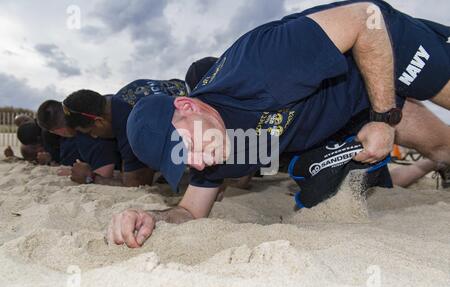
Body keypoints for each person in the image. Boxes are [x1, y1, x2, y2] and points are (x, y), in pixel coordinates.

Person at [108, 0, 450, 248]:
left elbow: (366, 18)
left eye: (187, 145)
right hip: (345, 111)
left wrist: (383, 117)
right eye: (183, 161)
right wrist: (152, 216)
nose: (198, 161)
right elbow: (189, 211)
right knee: (443, 149)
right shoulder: (215, 151)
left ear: (187, 105)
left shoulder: (259, 68)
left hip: (383, 49)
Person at [63, 79, 188, 187]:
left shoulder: (129, 122)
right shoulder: (128, 93)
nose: (94, 136)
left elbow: (136, 184)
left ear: (99, 121)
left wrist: (90, 178)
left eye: (91, 132)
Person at [37, 100, 122, 185]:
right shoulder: (97, 105)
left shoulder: (86, 134)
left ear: (58, 131)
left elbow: (104, 176)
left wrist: (81, 175)